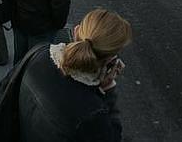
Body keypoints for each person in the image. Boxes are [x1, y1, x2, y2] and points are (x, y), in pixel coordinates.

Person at [18, 9, 132, 141]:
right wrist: (108, 92)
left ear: (76, 31)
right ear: (110, 59)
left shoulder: (38, 53)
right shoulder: (93, 114)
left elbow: (2, 91)